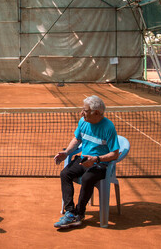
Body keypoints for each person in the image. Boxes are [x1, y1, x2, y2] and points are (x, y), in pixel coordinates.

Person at [53, 95, 120, 229]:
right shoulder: (83, 122)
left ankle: (80, 213)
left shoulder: (108, 127)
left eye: (85, 110)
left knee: (88, 178)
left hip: (101, 164)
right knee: (65, 174)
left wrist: (97, 159)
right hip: (84, 159)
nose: (81, 113)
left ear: (96, 113)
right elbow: (77, 139)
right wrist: (67, 152)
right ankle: (70, 212)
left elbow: (115, 154)